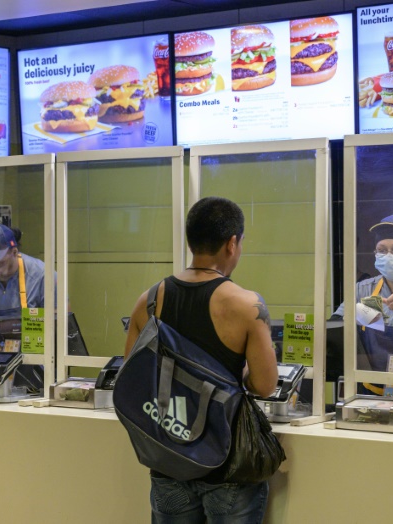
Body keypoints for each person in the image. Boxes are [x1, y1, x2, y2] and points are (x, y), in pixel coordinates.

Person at [124, 196, 278, 523]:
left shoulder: (149, 301)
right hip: (226, 467)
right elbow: (265, 385)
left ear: (191, 241)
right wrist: (236, 377)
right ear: (232, 243)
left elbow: (134, 374)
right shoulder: (246, 305)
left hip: (167, 461)